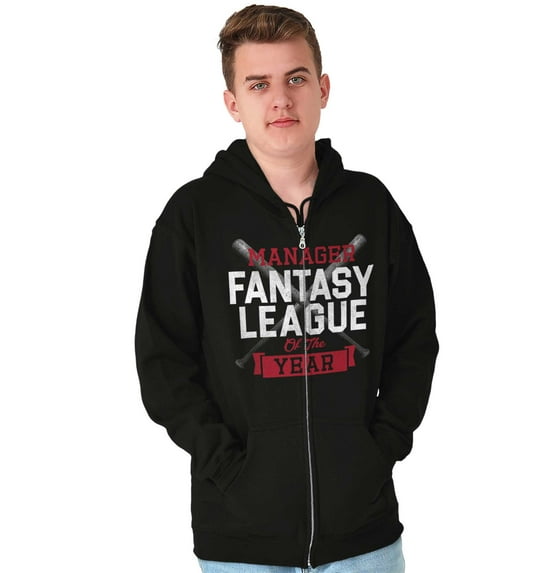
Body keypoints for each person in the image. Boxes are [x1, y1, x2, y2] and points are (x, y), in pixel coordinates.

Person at [135, 5, 438, 572]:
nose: (281, 99)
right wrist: (228, 468)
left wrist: (380, 450)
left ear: (323, 89)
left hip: (364, 536)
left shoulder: (371, 207)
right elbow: (163, 363)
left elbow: (415, 339)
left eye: (296, 78)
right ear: (233, 103)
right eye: (259, 84)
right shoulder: (193, 216)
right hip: (240, 542)